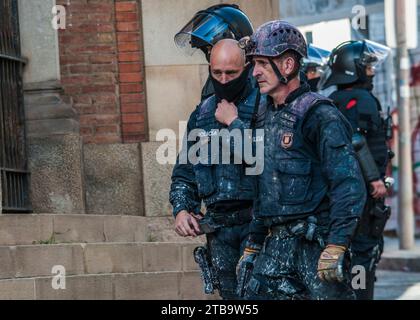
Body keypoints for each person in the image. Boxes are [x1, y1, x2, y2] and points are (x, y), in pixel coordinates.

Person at [230, 20, 366, 300]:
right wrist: (254, 243)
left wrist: (337, 244)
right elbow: (263, 187)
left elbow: (348, 184)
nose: (254, 72)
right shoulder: (263, 116)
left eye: (262, 64)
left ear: (288, 65)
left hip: (315, 248)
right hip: (275, 247)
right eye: (254, 64)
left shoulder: (320, 115)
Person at [169, 39, 264, 299]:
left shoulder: (264, 106)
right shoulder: (202, 113)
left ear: (246, 67)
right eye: (216, 73)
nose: (223, 80)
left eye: (231, 73)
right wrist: (181, 210)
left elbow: (266, 162)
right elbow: (184, 173)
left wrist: (234, 123)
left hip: (257, 226)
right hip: (218, 230)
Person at [320, 39, 392, 300]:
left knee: (344, 255)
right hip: (361, 195)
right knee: (363, 255)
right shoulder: (361, 99)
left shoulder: (332, 100)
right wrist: (374, 179)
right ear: (353, 68)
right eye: (367, 66)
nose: (371, 72)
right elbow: (356, 141)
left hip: (339, 194)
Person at [174, 4, 254, 99]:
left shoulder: (257, 81)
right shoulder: (215, 80)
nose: (209, 54)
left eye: (210, 48)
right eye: (206, 49)